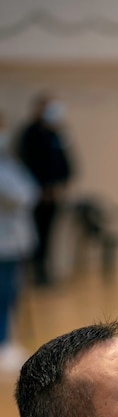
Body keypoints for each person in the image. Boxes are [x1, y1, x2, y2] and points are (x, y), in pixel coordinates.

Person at [16, 91, 75, 285]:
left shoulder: (57, 133)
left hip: (54, 195)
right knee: (33, 237)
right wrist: (40, 189)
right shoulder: (30, 133)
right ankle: (33, 275)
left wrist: (60, 185)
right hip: (36, 196)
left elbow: (67, 163)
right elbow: (25, 164)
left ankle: (44, 273)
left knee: (48, 237)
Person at [0, 111, 38, 373]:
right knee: (4, 292)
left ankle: (7, 340)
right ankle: (2, 344)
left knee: (11, 292)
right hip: (4, 241)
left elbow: (28, 190)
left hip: (12, 241)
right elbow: (19, 194)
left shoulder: (8, 161)